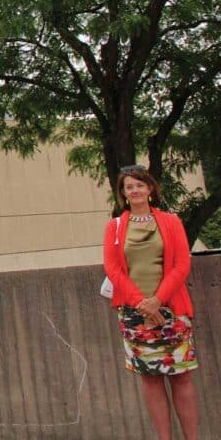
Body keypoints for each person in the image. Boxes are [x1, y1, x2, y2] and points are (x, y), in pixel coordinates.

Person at [103, 165, 198, 440]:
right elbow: (113, 269)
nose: (134, 190)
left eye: (139, 185)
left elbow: (182, 264)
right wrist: (142, 304)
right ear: (123, 192)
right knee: (151, 378)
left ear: (150, 188)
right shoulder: (115, 227)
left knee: (181, 375)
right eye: (129, 186)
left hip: (172, 309)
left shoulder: (170, 221)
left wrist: (158, 301)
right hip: (134, 314)